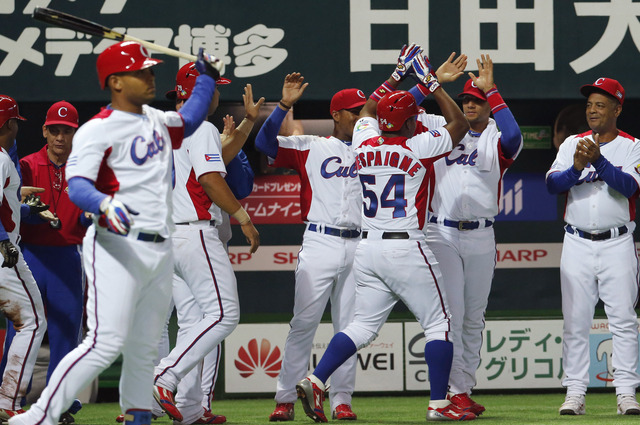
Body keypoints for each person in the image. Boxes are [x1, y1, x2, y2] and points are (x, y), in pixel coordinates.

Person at [8, 41, 223, 425]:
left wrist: (205, 76)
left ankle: (138, 417)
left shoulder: (159, 121)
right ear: (116, 82)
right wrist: (105, 204)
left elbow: (190, 117)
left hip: (159, 249)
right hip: (115, 245)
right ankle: (40, 415)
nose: (150, 76)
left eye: (150, 70)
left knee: (143, 348)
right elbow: (77, 185)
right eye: (141, 72)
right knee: (103, 342)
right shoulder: (97, 130)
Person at [295, 45, 474, 422]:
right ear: (411, 122)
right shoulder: (417, 145)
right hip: (407, 246)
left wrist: (396, 75)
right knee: (439, 323)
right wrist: (430, 82)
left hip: (368, 249)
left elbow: (368, 111)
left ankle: (316, 378)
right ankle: (439, 405)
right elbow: (459, 124)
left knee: (360, 325)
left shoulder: (363, 141)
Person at [151, 62, 260, 425]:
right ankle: (164, 377)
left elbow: (215, 160)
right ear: (197, 91)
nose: (217, 93)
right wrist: (243, 217)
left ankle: (191, 409)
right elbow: (211, 178)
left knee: (195, 320)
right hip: (194, 232)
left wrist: (245, 124)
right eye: (214, 87)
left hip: (166, 236)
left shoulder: (166, 128)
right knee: (225, 314)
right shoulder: (202, 126)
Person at [255, 74, 365, 422]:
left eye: (365, 111)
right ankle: (285, 398)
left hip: (360, 244)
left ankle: (342, 399)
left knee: (349, 328)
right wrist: (284, 105)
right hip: (320, 241)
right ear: (337, 115)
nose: (362, 117)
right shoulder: (310, 145)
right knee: (303, 323)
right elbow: (263, 142)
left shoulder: (375, 148)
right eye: (354, 112)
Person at [420, 54, 523, 416]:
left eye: (476, 101)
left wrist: (491, 89)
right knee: (453, 313)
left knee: (473, 316)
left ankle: (461, 389)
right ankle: (447, 391)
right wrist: (433, 83)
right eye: (465, 100)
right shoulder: (440, 126)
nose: (469, 105)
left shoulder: (495, 134)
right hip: (441, 232)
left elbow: (514, 137)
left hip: (481, 234)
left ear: (488, 106)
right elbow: (396, 111)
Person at [546, 77, 640, 416]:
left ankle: (627, 392)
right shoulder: (573, 143)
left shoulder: (632, 146)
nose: (592, 110)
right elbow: (552, 184)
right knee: (575, 320)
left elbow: (630, 186)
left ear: (617, 108)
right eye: (589, 105)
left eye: (600, 105)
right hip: (577, 241)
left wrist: (599, 162)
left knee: (624, 320)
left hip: (617, 242)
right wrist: (576, 167)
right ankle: (574, 392)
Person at [0, 100, 89, 424]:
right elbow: (12, 209)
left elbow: (92, 213)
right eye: (55, 130)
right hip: (31, 254)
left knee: (67, 332)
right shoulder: (24, 164)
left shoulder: (85, 167)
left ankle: (58, 404)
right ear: (45, 130)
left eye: (66, 131)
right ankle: (8, 397)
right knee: (21, 328)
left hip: (68, 255)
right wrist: (35, 215)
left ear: (74, 133)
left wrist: (94, 218)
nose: (60, 137)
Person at [0, 95, 48, 421]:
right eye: (15, 121)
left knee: (30, 321)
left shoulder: (5, 157)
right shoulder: (0, 158)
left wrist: (28, 211)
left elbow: (8, 204)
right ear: (8, 123)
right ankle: (8, 402)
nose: (18, 126)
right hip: (2, 253)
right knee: (32, 321)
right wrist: (4, 242)